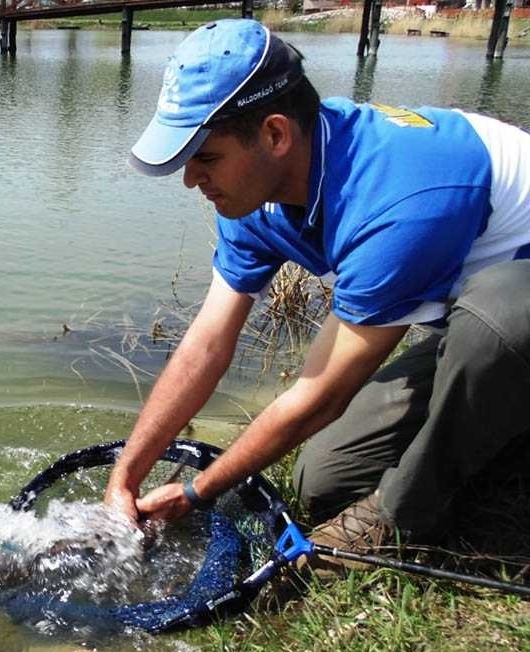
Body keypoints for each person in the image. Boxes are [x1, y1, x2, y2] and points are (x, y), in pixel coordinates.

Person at [104, 19, 530, 573]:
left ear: (276, 135)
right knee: (323, 478)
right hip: (467, 308)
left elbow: (321, 397)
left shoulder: (396, 200)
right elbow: (206, 344)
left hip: (506, 307)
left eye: (205, 158)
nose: (191, 180)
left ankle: (405, 517)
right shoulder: (253, 198)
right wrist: (127, 472)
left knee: (497, 325)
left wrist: (195, 493)